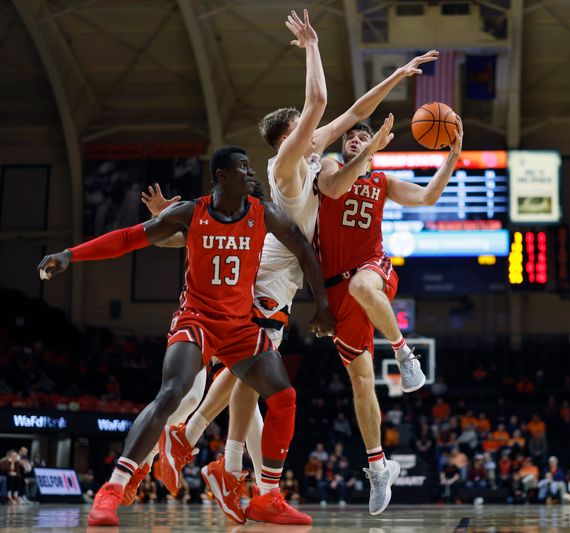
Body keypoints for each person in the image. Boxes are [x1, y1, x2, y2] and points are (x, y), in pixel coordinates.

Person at [152, 45, 440, 520]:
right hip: (271, 273)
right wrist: (313, 48)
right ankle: (192, 437)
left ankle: (224, 466)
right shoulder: (288, 167)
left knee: (252, 369)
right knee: (253, 361)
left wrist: (397, 77)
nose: (319, 137)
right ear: (290, 137)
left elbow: (353, 111)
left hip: (283, 278)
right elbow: (320, 101)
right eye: (306, 132)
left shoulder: (312, 157)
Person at [38, 145, 334, 527]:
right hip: (196, 319)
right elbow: (129, 238)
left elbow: (305, 251)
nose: (251, 173)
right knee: (174, 392)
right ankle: (112, 488)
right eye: (242, 168)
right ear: (222, 176)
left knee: (284, 397)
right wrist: (70, 254)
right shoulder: (190, 213)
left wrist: (323, 307)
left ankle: (267, 497)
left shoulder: (264, 214)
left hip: (239, 326)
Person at [313, 110, 462, 515]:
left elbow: (428, 196)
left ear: (376, 153)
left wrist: (452, 158)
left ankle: (403, 353)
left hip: (373, 270)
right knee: (361, 383)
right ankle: (379, 466)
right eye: (352, 137)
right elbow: (332, 187)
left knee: (364, 284)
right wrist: (367, 153)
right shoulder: (330, 166)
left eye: (363, 138)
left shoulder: (382, 181)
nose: (356, 140)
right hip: (336, 289)